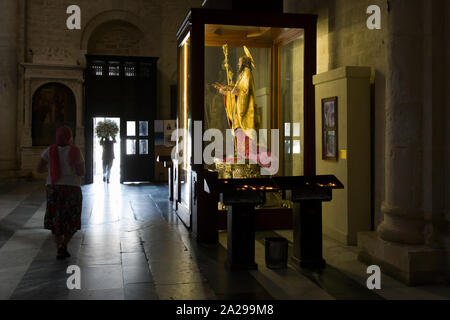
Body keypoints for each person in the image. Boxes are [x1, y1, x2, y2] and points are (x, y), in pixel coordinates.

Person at [37, 126, 85, 260]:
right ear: (70, 136)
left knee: (56, 219)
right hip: (72, 188)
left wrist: (52, 169)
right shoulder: (75, 151)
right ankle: (64, 245)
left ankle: (59, 248)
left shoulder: (49, 150)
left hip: (54, 189)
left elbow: (39, 169)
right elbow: (81, 172)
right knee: (72, 219)